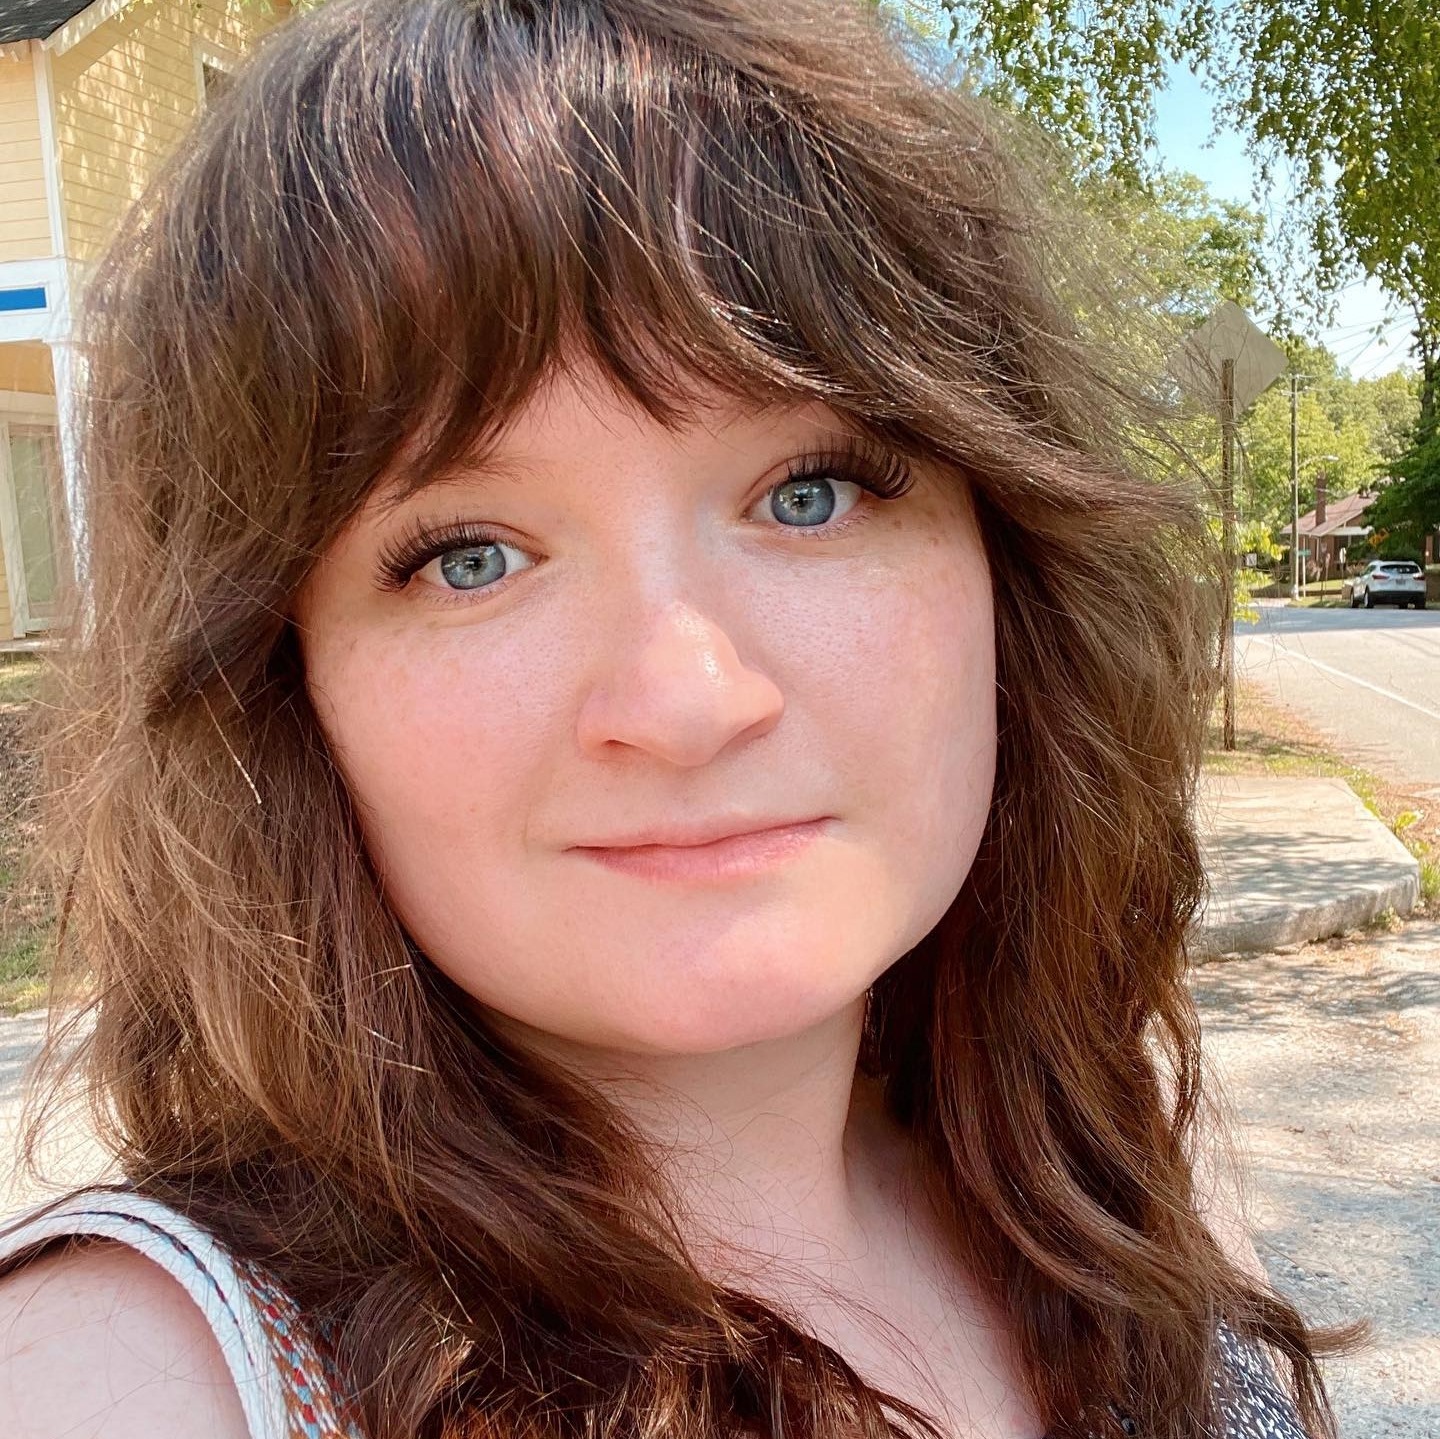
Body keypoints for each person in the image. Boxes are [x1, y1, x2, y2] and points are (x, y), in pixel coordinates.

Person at [0, 1, 1349, 1436]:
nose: (688, 702)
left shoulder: (1116, 1203)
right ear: (282, 683)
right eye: (470, 557)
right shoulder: (131, 1383)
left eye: (810, 493)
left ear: (1010, 570)